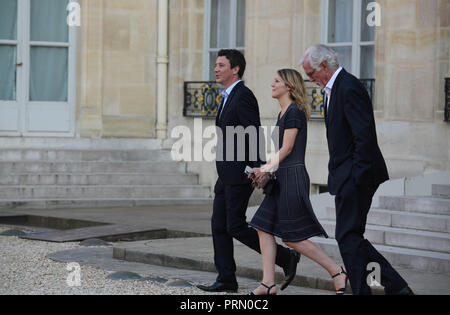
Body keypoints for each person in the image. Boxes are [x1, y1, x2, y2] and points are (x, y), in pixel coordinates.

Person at [300, 44, 414, 295]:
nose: (310, 80)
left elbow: (364, 138)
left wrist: (355, 179)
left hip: (356, 176)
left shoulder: (348, 87)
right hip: (346, 175)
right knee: (350, 238)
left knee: (348, 236)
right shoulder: (334, 89)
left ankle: (393, 287)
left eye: (311, 74)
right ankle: (387, 288)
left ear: (324, 67)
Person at [197, 50, 300, 293]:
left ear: (236, 69)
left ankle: (286, 258)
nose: (216, 69)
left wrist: (258, 170)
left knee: (235, 226)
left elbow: (252, 134)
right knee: (218, 225)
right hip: (225, 174)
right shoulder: (227, 96)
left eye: (221, 65)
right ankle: (226, 279)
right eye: (215, 65)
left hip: (239, 174)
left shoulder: (243, 96)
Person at [249, 69, 348, 295]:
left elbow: (288, 148)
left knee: (292, 239)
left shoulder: (294, 112)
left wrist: (265, 167)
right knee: (262, 227)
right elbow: (282, 153)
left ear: (289, 87)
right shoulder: (282, 113)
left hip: (293, 178)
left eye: (277, 81)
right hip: (281, 178)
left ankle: (337, 271)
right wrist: (266, 173)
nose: (272, 84)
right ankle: (268, 284)